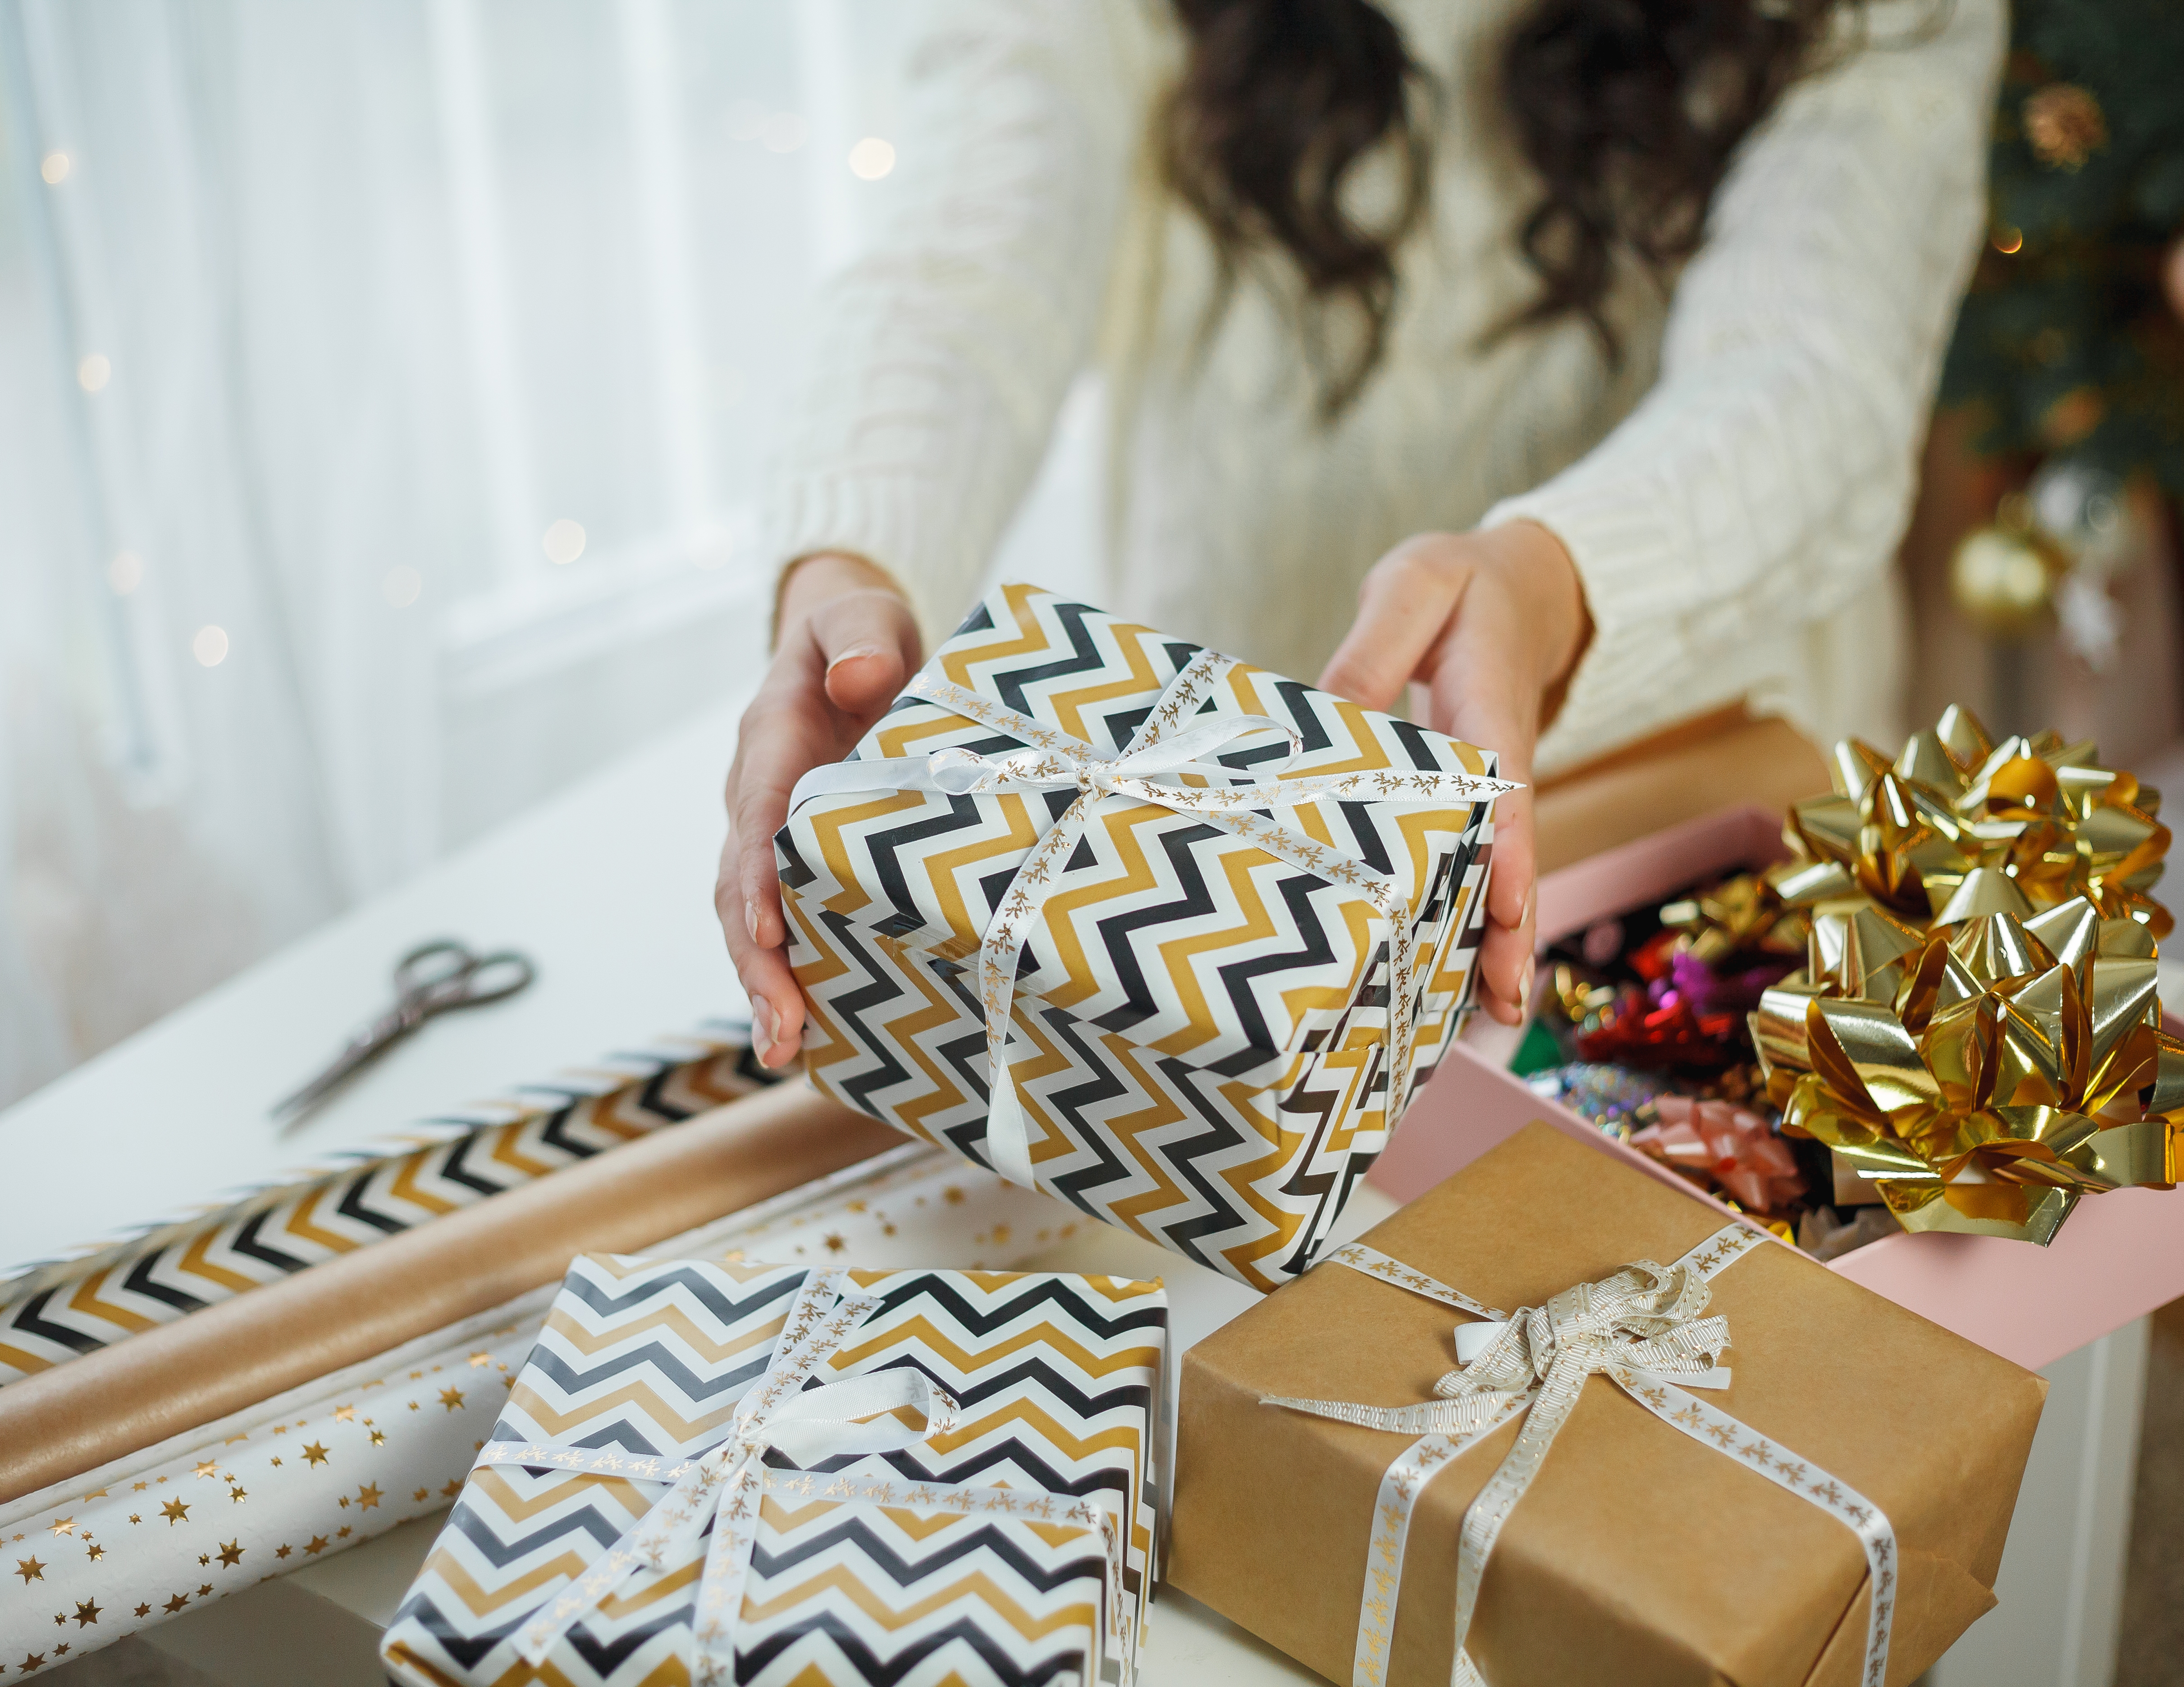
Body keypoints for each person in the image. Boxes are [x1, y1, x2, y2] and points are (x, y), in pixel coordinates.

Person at [719, 0, 2002, 1070]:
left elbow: (1814, 376)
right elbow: (960, 270)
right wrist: (847, 565)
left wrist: (1557, 582)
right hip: (1221, 867)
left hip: (1686, 826)